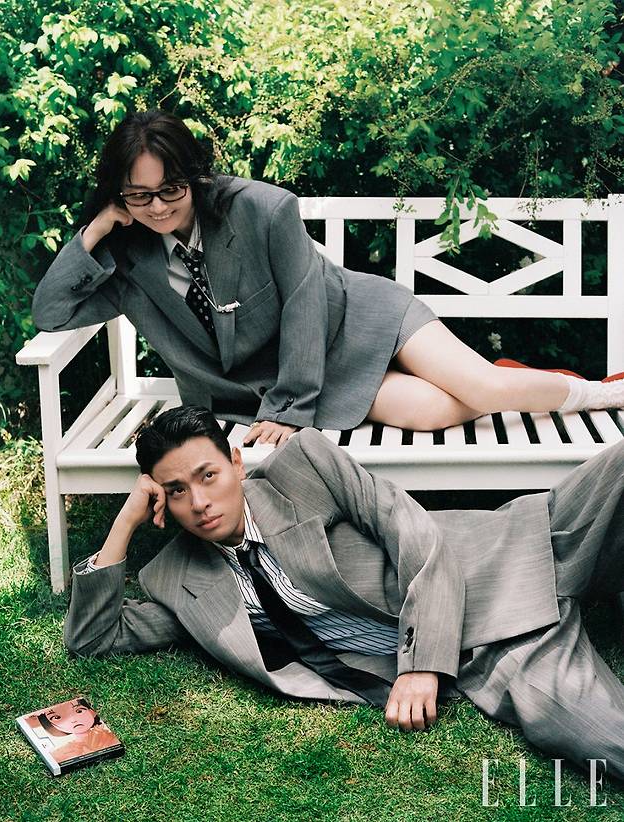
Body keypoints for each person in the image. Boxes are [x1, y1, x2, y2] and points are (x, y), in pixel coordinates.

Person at [64, 405, 624, 779]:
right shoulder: (177, 577)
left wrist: (420, 666)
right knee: (602, 737)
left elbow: (412, 532)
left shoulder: (303, 467)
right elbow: (93, 638)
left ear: (235, 463)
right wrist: (126, 522)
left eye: (208, 475)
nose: (200, 502)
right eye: (176, 491)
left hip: (521, 543)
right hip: (494, 652)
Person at [32, 110, 624, 446]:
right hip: (286, 376)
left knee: (484, 390)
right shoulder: (125, 255)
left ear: (196, 175)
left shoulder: (262, 210)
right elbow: (50, 312)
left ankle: (600, 392)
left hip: (358, 321)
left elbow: (304, 302)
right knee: (435, 411)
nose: (158, 207)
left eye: (171, 189)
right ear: (118, 193)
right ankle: (514, 381)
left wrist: (289, 409)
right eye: (138, 195)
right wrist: (97, 229)